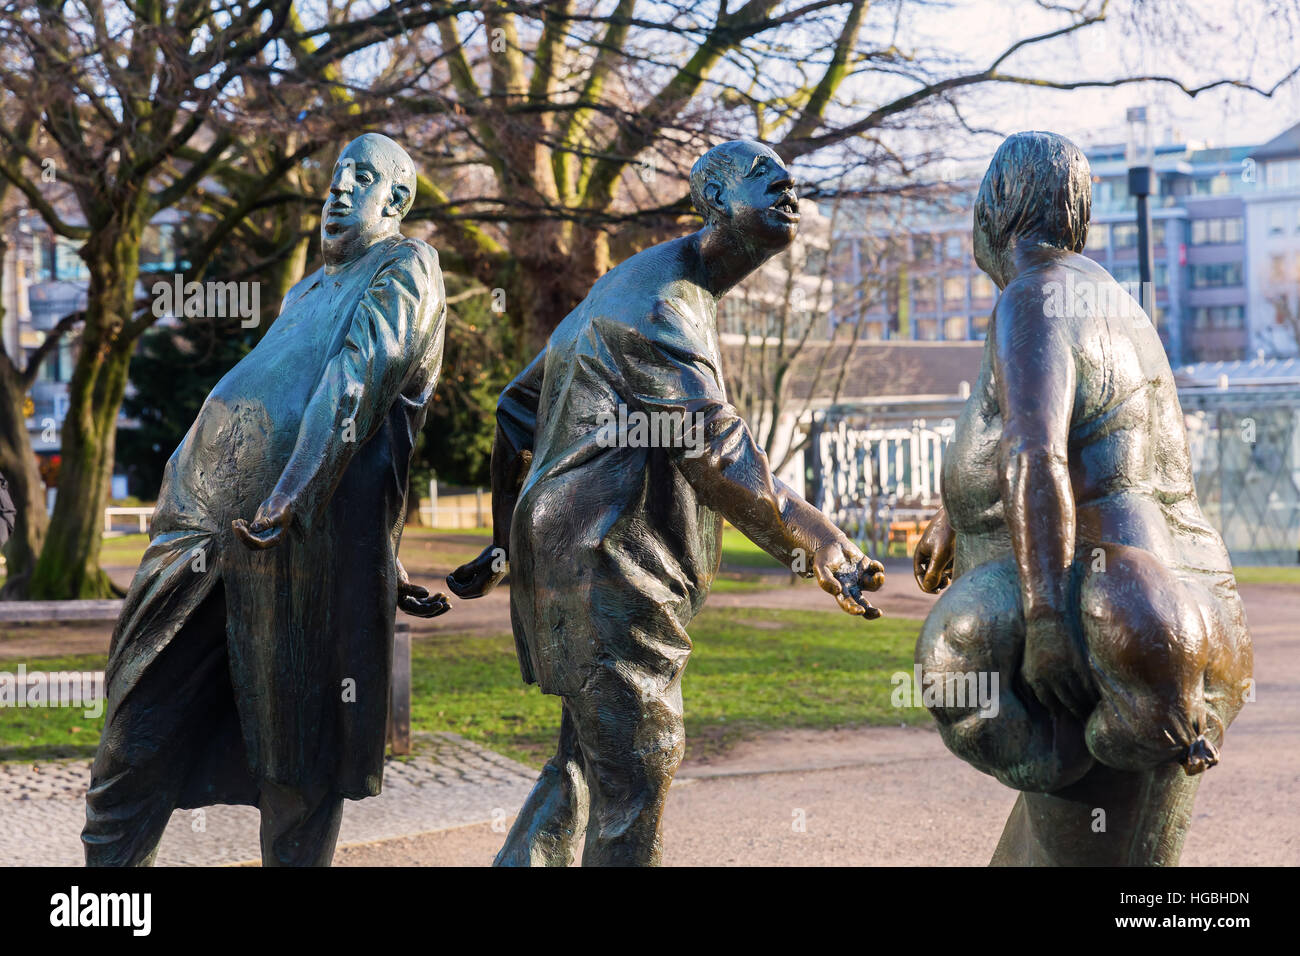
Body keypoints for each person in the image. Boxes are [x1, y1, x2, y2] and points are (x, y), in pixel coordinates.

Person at [448, 139, 885, 866]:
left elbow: (515, 408)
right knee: (637, 771)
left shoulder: (640, 286)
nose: (788, 185)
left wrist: (505, 541)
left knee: (586, 766)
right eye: (762, 176)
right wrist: (815, 535)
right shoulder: (657, 303)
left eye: (792, 179)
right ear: (712, 200)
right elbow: (712, 447)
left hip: (582, 558)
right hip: (611, 563)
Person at [83, 133, 450, 867]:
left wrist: (291, 499)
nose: (338, 190)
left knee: (298, 772)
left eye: (362, 178)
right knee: (130, 743)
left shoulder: (406, 265)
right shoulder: (305, 291)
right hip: (195, 540)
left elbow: (359, 383)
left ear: (398, 199)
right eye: (334, 177)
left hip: (293, 549)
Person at [911, 131, 1253, 865]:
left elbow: (1034, 451)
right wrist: (956, 513)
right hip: (1173, 625)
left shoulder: (1031, 297)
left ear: (992, 209)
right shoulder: (1100, 296)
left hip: (1107, 623)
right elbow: (1084, 442)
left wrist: (1041, 620)